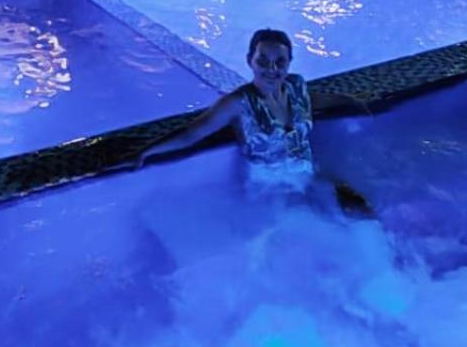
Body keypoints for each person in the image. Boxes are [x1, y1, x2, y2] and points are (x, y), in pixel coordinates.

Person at [121, 27, 372, 214]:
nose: (272, 70)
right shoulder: (238, 103)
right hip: (270, 189)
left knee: (362, 214)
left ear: (289, 63)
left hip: (307, 177)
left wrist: (352, 101)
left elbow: (317, 101)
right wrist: (147, 151)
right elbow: (191, 134)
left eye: (280, 62)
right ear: (250, 61)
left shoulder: (296, 87)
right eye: (263, 61)